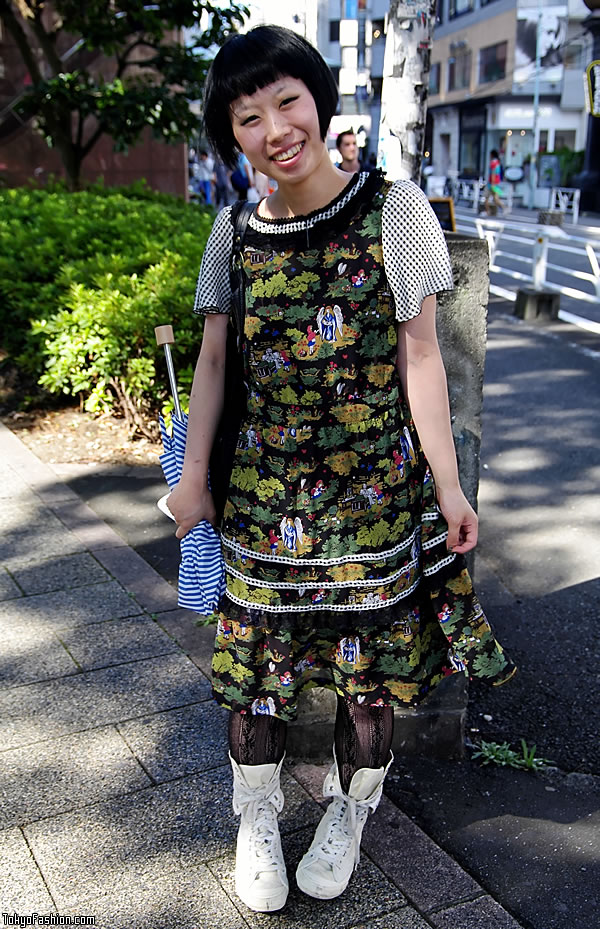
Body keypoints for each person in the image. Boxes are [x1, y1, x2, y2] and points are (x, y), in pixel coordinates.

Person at [168, 24, 516, 915]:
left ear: (319, 101)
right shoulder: (230, 234)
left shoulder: (395, 211)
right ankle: (256, 816)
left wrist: (447, 482)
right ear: (232, 135)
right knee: (256, 675)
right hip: (260, 499)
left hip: (373, 502)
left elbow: (423, 359)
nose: (275, 127)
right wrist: (193, 476)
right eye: (248, 116)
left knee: (369, 680)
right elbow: (212, 365)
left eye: (287, 100)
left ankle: (350, 814)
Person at [484, 148, 504, 215]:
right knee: (496, 199)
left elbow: (493, 174)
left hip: (491, 184)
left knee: (486, 198)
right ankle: (504, 208)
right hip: (496, 183)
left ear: (492, 155)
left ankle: (488, 211)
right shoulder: (498, 163)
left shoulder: (493, 163)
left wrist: (492, 183)